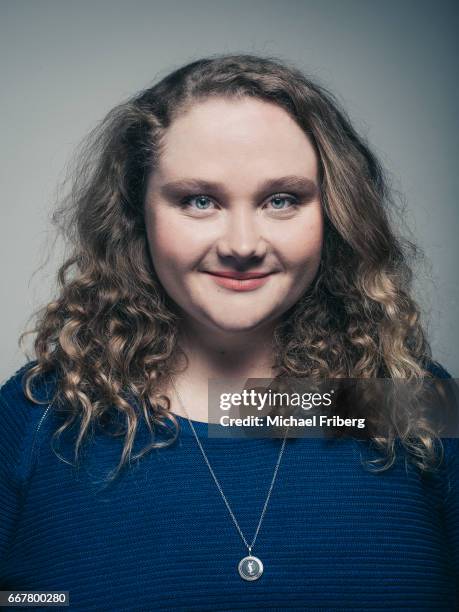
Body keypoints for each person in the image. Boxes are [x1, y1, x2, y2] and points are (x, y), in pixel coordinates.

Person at [0, 54, 457, 611]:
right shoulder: (42, 413)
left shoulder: (410, 407)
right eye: (199, 200)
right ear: (135, 214)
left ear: (333, 213)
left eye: (281, 199)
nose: (242, 244)